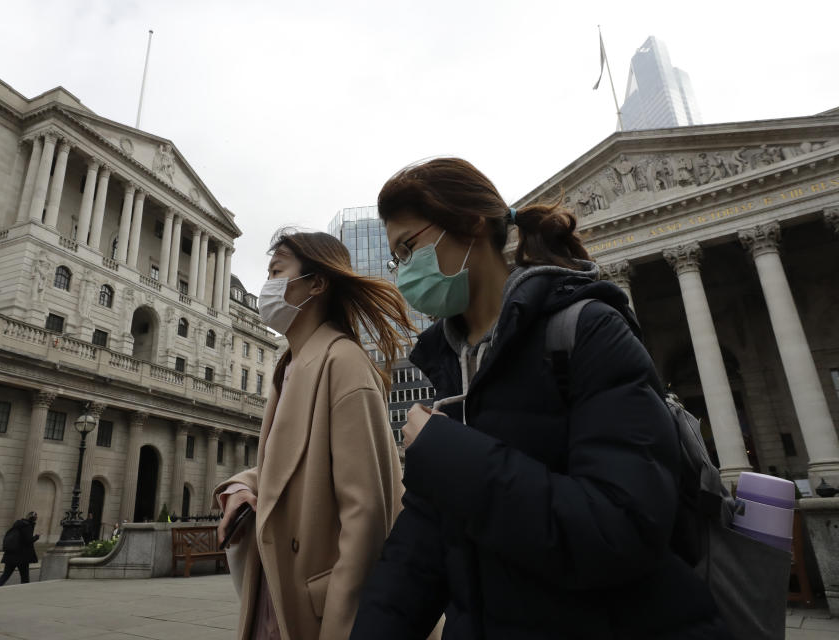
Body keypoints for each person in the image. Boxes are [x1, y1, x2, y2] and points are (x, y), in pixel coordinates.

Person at [350, 158, 731, 639]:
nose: (405, 273)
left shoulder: (588, 329)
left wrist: (445, 453)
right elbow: (419, 551)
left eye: (410, 249)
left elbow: (621, 530)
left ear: (471, 223)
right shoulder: (452, 367)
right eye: (397, 260)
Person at [214, 229, 413, 640]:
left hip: (321, 610)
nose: (266, 285)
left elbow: (367, 515)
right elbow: (294, 467)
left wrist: (342, 627)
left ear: (317, 283)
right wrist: (240, 486)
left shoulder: (343, 362)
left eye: (276, 271)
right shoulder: (288, 367)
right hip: (275, 593)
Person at [0, 511, 40, 586]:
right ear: (34, 519)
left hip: (10, 555)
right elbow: (28, 540)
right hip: (22, 557)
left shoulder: (17, 525)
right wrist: (36, 537)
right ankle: (24, 592)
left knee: (5, 575)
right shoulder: (27, 526)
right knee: (25, 577)